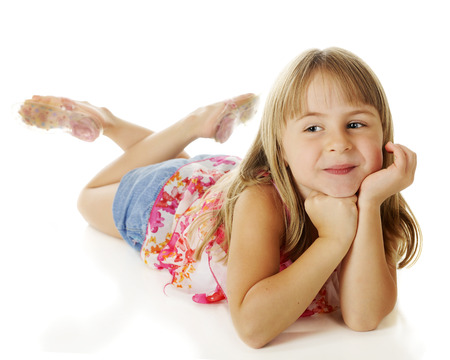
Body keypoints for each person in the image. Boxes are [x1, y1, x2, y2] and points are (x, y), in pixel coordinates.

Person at [18, 47, 422, 349]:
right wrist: (333, 241)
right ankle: (138, 122)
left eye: (355, 124)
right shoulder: (260, 203)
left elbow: (364, 317)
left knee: (180, 164)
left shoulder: (372, 193)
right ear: (279, 147)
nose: (339, 144)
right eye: (313, 129)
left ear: (384, 135)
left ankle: (128, 125)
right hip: (170, 202)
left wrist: (368, 206)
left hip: (216, 179)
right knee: (88, 198)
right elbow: (252, 328)